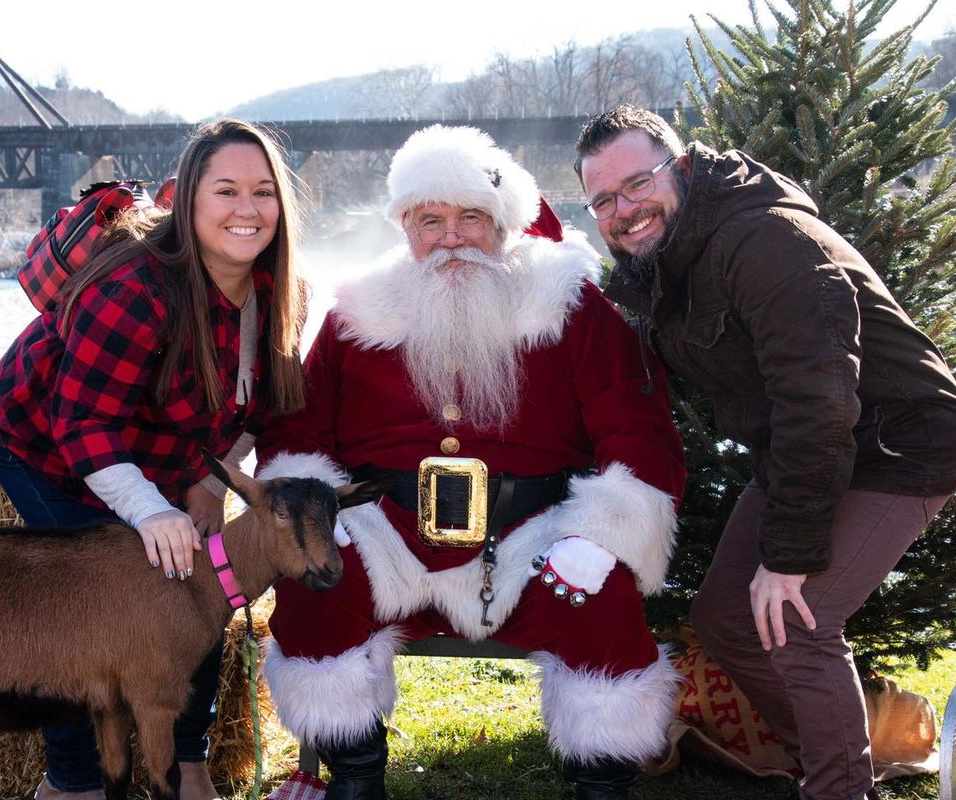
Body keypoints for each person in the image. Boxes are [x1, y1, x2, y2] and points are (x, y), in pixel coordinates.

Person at [255, 124, 688, 800]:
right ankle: (356, 778)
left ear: (503, 225)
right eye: (431, 220)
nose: (450, 237)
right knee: (319, 589)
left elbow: (639, 431)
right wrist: (312, 508)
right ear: (405, 226)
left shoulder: (570, 306)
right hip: (388, 533)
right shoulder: (359, 314)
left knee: (597, 599)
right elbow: (297, 429)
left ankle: (602, 787)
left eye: (470, 219)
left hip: (534, 535)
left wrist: (602, 533)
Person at [574, 105, 956, 800]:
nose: (624, 209)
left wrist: (789, 556)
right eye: (604, 200)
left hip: (897, 443)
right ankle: (832, 759)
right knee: (726, 616)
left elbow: (819, 399)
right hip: (807, 448)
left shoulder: (768, 242)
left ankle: (838, 787)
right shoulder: (669, 265)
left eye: (638, 183)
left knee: (799, 619)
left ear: (685, 170)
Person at [0, 118, 307, 800]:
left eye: (264, 191)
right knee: (80, 606)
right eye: (226, 191)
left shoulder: (280, 289)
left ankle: (184, 766)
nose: (247, 209)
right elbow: (85, 421)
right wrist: (152, 511)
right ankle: (72, 783)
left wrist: (211, 487)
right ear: (187, 201)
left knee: (202, 577)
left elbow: (263, 407)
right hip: (48, 442)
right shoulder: (134, 285)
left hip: (166, 447)